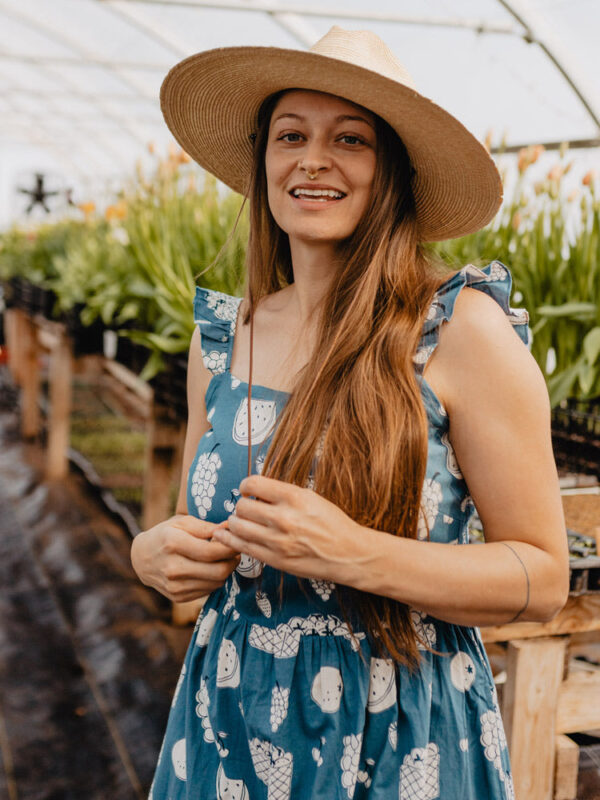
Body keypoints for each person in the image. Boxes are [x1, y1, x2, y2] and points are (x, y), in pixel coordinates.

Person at [132, 26, 569, 800]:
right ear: (263, 160)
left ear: (391, 170)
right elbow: (194, 537)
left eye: (350, 139)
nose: (313, 159)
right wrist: (154, 554)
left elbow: (540, 577)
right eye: (291, 134)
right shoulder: (224, 342)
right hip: (229, 718)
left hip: (397, 726)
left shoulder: (458, 331)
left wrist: (353, 553)